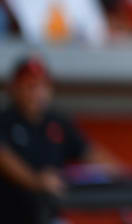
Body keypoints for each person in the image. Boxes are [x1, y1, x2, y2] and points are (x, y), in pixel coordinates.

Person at [0, 56, 122, 224]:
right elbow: (4, 158)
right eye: (30, 86)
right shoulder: (5, 120)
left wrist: (131, 178)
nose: (37, 93)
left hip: (49, 216)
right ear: (15, 88)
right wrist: (36, 180)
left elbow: (91, 153)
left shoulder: (57, 122)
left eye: (42, 86)